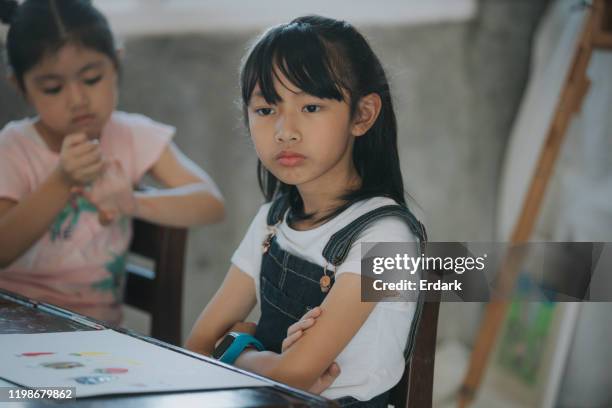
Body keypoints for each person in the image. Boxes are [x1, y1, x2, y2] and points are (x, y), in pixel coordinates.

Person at [186, 15, 426, 407]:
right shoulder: (272, 218)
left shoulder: (388, 238)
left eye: (311, 106)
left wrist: (236, 349)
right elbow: (197, 342)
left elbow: (295, 374)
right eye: (265, 110)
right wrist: (264, 360)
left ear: (362, 115)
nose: (285, 130)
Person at [0, 0, 224, 324]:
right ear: (20, 87)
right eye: (53, 88)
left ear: (116, 65)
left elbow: (210, 203)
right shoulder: (13, 149)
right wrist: (61, 180)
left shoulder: (132, 136)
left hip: (97, 336)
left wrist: (131, 203)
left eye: (91, 79)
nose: (77, 99)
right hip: (13, 325)